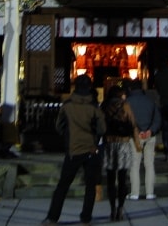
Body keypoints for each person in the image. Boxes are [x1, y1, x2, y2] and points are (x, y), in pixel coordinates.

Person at [42, 74, 106, 226]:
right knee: (90, 186)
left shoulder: (67, 105)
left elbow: (59, 126)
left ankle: (52, 217)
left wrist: (69, 134)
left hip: (73, 149)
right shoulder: (94, 107)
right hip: (91, 149)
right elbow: (102, 129)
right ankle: (86, 218)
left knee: (63, 186)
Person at [101, 83, 140, 222]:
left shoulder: (104, 106)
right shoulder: (125, 106)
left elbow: (101, 125)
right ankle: (120, 208)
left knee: (111, 179)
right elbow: (133, 123)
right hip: (123, 143)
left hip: (110, 143)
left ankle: (112, 208)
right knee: (122, 178)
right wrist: (137, 144)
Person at [124, 79, 161, 200]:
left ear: (130, 89)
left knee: (135, 164)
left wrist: (137, 131)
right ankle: (150, 192)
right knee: (149, 164)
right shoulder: (150, 101)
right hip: (149, 135)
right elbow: (157, 118)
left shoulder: (128, 102)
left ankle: (135, 193)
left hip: (135, 136)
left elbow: (126, 120)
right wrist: (150, 130)